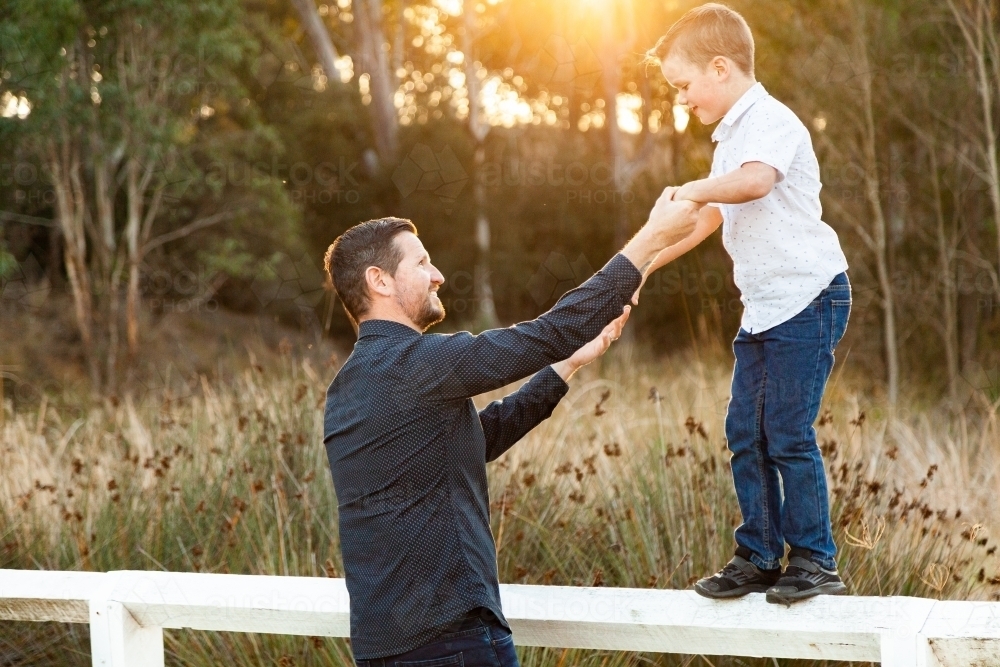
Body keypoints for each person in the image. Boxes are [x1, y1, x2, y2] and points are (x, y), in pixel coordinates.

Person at [321, 194, 699, 667]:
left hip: (386, 648)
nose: (437, 275)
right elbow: (548, 332)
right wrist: (652, 239)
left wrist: (567, 366)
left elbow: (474, 441)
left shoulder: (346, 390)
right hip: (451, 643)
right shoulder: (417, 363)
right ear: (379, 280)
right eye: (422, 263)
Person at [638, 3, 851, 604]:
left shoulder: (771, 121)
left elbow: (755, 182)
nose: (682, 99)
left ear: (721, 66)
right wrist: (645, 267)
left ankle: (815, 561)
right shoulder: (729, 136)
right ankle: (758, 554)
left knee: (785, 430)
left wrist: (688, 187)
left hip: (809, 297)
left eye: (683, 85)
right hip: (763, 307)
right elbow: (710, 215)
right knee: (743, 431)